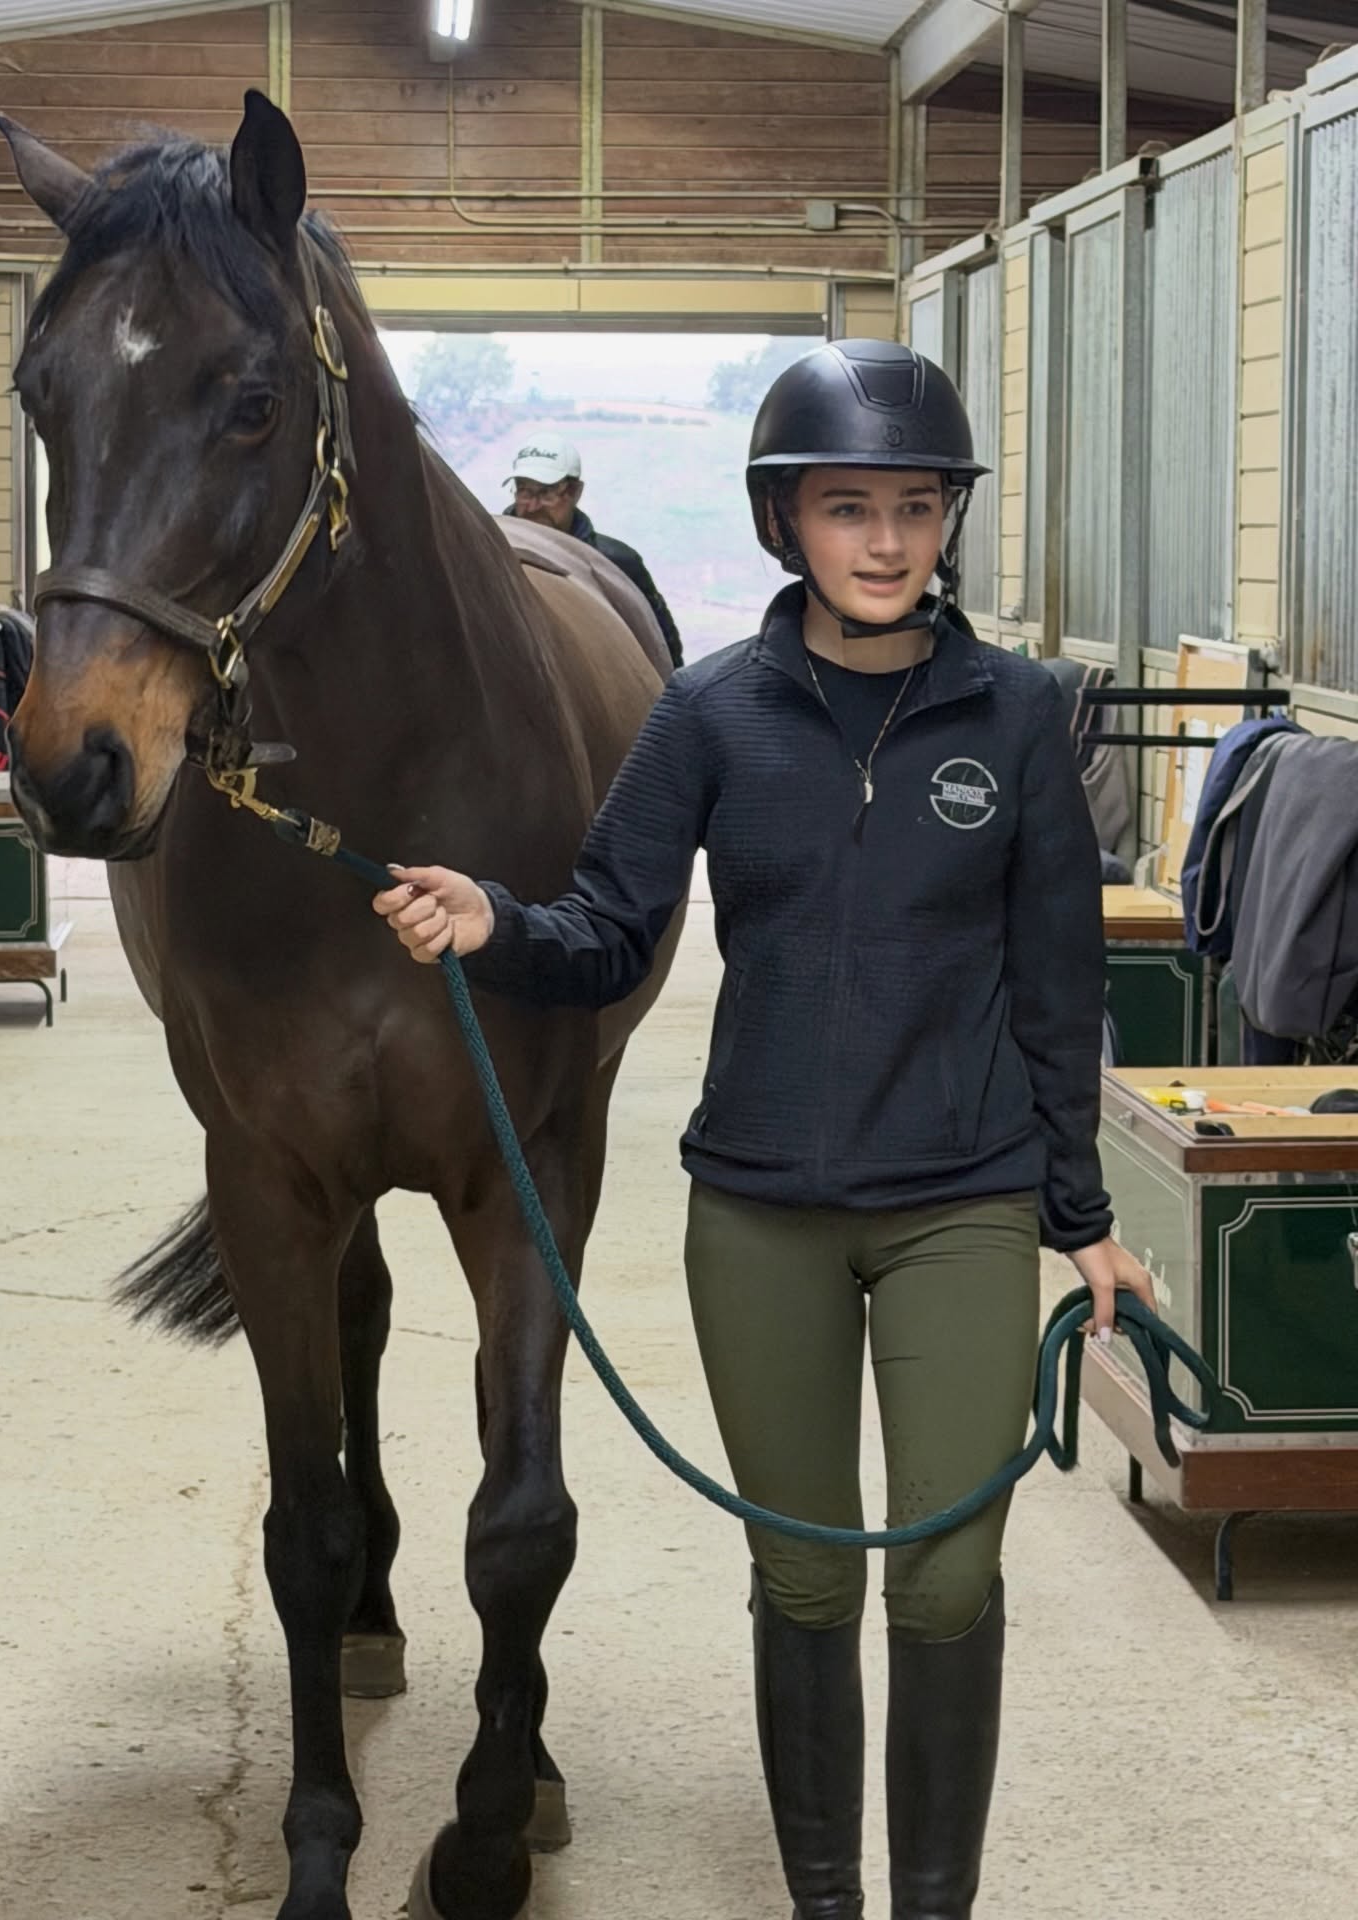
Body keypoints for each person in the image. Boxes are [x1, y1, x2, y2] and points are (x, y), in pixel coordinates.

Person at [378, 341, 1155, 1919]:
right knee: (804, 1573)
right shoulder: (711, 713)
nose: (884, 540)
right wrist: (494, 923)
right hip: (760, 1212)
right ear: (784, 523)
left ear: (949, 524)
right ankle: (825, 1905)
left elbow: (1061, 991)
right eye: (847, 507)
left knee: (945, 1576)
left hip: (963, 1200)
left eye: (916, 508)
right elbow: (607, 926)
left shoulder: (1018, 719)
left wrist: (1079, 1217)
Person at [504, 433, 683, 666]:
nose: (533, 505)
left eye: (546, 493)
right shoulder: (487, 555)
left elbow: (664, 649)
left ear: (575, 492)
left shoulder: (616, 563)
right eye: (525, 491)